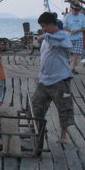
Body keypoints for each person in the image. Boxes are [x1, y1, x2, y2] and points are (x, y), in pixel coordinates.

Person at [32, 12, 74, 145]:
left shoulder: (62, 36)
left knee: (63, 108)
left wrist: (44, 35)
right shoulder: (47, 38)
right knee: (36, 105)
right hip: (44, 79)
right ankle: (38, 130)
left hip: (59, 79)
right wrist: (44, 36)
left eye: (44, 26)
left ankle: (63, 135)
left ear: (51, 24)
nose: (43, 29)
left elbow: (63, 43)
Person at [64, 3, 85, 73]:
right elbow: (64, 26)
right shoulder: (67, 16)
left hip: (78, 36)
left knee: (76, 53)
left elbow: (84, 27)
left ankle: (73, 68)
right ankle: (66, 67)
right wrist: (70, 30)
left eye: (77, 10)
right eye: (74, 10)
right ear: (72, 9)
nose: (75, 12)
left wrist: (78, 31)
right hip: (69, 36)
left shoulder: (82, 16)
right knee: (67, 52)